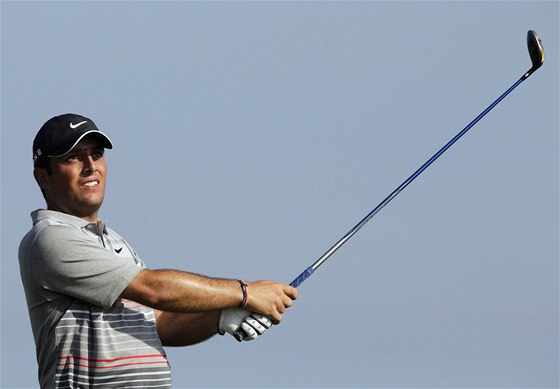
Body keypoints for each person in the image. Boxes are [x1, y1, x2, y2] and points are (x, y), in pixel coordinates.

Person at [19, 113, 298, 388]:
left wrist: (222, 316)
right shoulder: (49, 238)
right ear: (43, 177)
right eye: (73, 157)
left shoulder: (114, 241)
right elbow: (154, 289)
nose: (91, 166)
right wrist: (246, 292)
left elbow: (159, 322)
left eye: (97, 154)